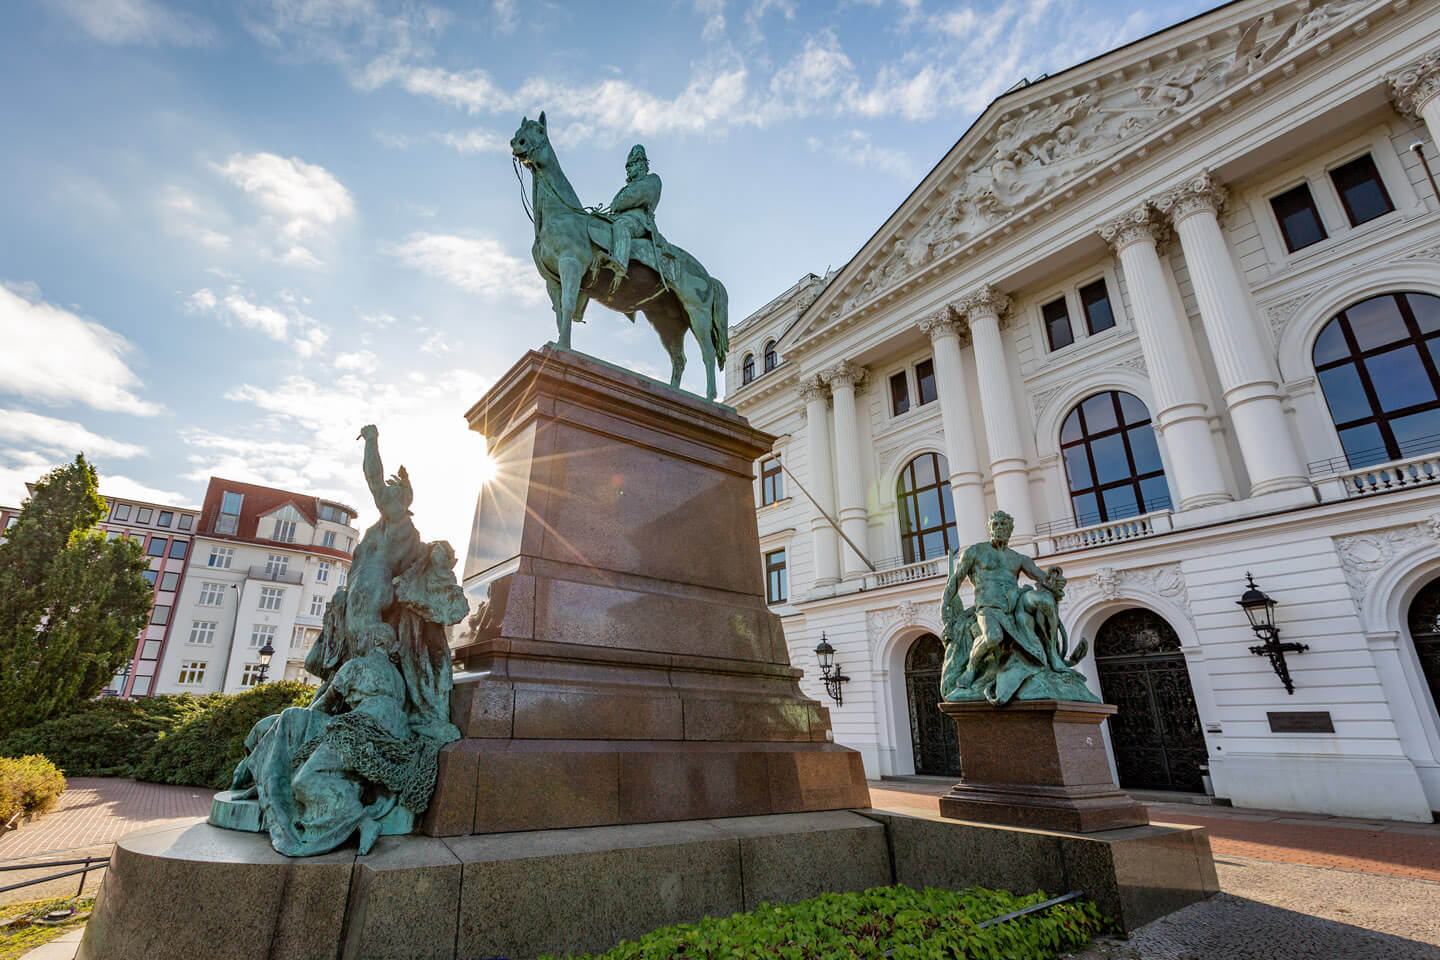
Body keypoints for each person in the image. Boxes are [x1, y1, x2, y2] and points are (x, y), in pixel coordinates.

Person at [606, 144, 663, 289]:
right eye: (627, 167)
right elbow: (616, 204)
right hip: (620, 216)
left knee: (621, 226)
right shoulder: (628, 187)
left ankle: (620, 264)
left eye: (631, 165)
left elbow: (635, 197)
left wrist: (618, 204)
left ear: (641, 164)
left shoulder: (652, 180)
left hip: (640, 220)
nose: (628, 170)